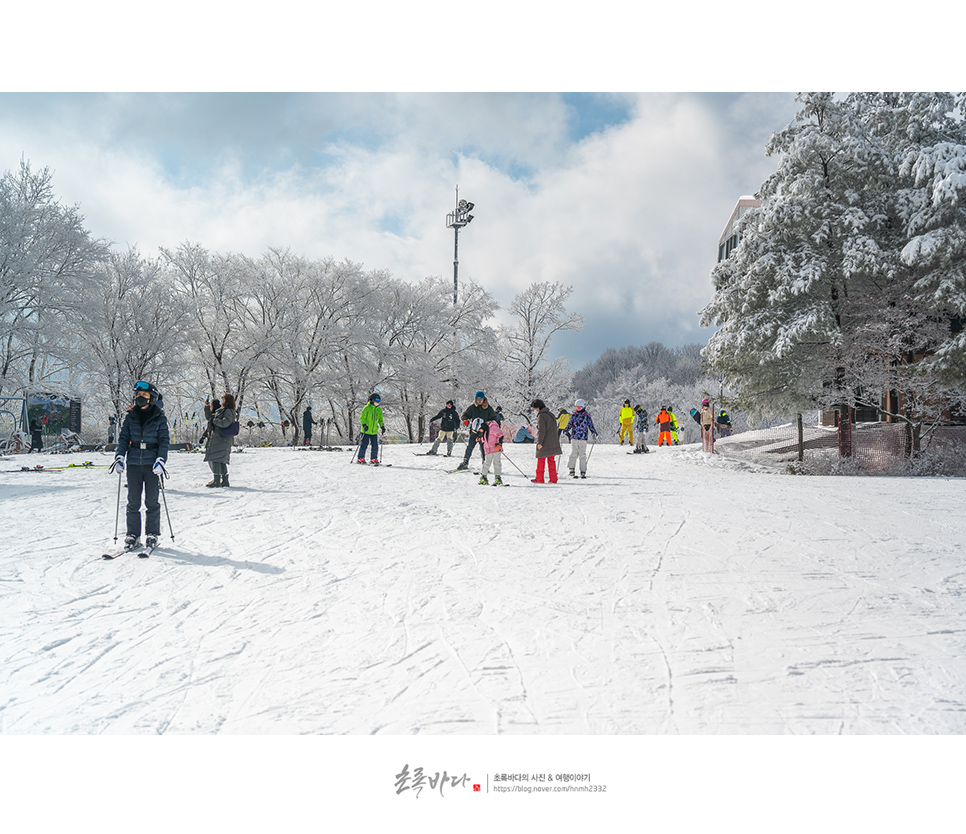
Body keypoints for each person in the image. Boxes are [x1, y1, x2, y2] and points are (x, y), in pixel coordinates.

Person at [112, 381, 170, 549]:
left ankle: (152, 534)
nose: (140, 399)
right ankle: (133, 535)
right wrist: (120, 456)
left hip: (152, 464)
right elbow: (123, 438)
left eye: (144, 396)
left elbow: (164, 441)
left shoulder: (159, 418)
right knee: (133, 502)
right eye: (138, 396)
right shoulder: (130, 417)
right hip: (134, 463)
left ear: (151, 398)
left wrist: (161, 460)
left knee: (152, 501)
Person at [456, 391, 500, 471]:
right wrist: (465, 420)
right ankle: (465, 462)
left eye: (481, 398)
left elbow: (494, 420)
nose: (479, 400)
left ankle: (485, 464)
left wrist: (487, 425)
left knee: (484, 449)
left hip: (484, 433)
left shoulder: (488, 409)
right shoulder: (472, 408)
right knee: (470, 447)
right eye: (477, 399)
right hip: (474, 432)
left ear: (484, 399)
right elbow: (464, 415)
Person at [205, 394, 238, 486]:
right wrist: (207, 407)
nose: (222, 400)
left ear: (226, 400)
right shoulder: (224, 410)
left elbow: (225, 423)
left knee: (215, 458)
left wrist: (215, 421)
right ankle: (224, 480)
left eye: (223, 398)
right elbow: (210, 418)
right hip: (220, 438)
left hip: (221, 438)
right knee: (220, 459)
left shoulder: (229, 411)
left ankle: (217, 480)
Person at [530, 399, 562, 484]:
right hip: (553, 441)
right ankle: (553, 479)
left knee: (541, 460)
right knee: (551, 460)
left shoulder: (541, 416)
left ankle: (539, 478)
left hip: (545, 441)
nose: (535, 410)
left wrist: (540, 442)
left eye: (535, 408)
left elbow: (542, 431)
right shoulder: (551, 414)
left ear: (538, 407)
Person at [564, 399, 598, 478]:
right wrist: (565, 430)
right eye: (576, 407)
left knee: (582, 454)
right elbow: (570, 424)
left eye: (579, 408)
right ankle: (571, 469)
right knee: (574, 453)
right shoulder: (574, 415)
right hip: (574, 437)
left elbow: (591, 425)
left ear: (583, 407)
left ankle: (583, 471)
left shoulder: (586, 416)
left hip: (583, 438)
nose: (577, 409)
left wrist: (594, 433)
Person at [357, 393, 385, 464]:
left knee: (375, 446)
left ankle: (374, 458)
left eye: (379, 400)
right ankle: (360, 458)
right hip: (366, 431)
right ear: (372, 400)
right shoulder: (367, 408)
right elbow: (362, 418)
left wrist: (382, 426)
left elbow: (380, 419)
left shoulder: (379, 410)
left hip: (374, 431)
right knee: (364, 445)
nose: (377, 402)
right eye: (376, 400)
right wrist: (364, 425)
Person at [477, 418, 505, 485]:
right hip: (488, 449)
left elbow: (500, 435)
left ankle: (498, 478)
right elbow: (485, 439)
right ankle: (484, 477)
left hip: (495, 449)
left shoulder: (493, 427)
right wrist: (480, 439)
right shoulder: (485, 429)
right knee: (486, 463)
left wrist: (499, 444)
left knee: (497, 463)